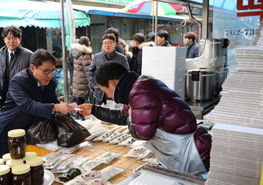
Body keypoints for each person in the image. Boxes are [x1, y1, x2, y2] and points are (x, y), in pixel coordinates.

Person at [79, 61, 212, 174]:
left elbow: (143, 133)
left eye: (105, 91)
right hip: (178, 150)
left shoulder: (140, 92)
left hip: (191, 152)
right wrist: (94, 110)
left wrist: (131, 118)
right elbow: (123, 116)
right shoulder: (135, 87)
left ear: (112, 83)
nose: (107, 96)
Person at [0, 49, 73, 158]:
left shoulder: (51, 82)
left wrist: (65, 109)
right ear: (33, 68)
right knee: (4, 170)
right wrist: (55, 107)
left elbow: (52, 101)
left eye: (52, 71)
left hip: (30, 134)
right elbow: (28, 106)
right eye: (46, 71)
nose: (50, 75)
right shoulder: (19, 81)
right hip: (7, 134)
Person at [0, 25, 33, 112]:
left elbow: (34, 79)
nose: (11, 41)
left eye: (14, 38)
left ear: (20, 39)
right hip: (4, 100)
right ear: (4, 39)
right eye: (8, 38)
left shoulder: (29, 55)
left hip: (22, 102)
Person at [88, 33, 129, 105]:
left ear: (115, 44)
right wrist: (93, 85)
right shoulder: (97, 57)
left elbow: (126, 74)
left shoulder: (121, 58)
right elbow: (91, 71)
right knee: (98, 113)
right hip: (100, 93)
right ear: (102, 45)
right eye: (105, 43)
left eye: (110, 43)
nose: (107, 45)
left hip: (116, 93)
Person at [70, 36, 93, 120]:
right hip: (83, 81)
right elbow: (88, 71)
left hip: (76, 80)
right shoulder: (85, 54)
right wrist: (91, 83)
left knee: (78, 99)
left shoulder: (75, 52)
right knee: (82, 100)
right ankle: (80, 116)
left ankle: (77, 115)